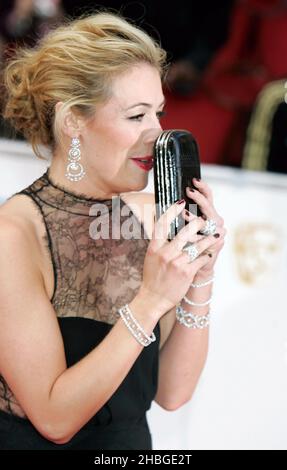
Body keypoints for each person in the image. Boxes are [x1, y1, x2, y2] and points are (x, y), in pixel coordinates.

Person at [0, 11, 225, 450]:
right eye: (136, 115)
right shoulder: (15, 233)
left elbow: (172, 394)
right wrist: (151, 300)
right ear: (73, 123)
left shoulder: (149, 219)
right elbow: (54, 419)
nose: (157, 134)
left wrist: (200, 276)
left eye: (158, 112)